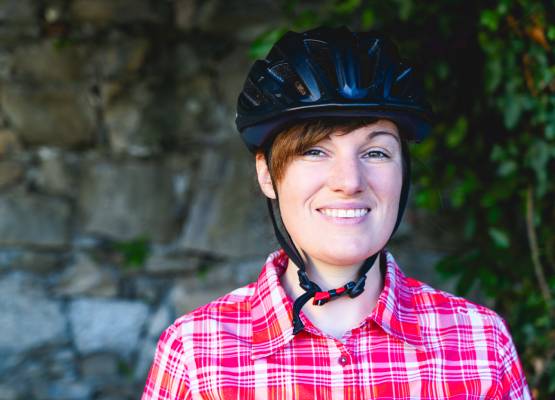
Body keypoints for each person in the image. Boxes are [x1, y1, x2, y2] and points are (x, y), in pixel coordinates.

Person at [142, 26, 532, 399]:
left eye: (376, 152)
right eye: (315, 150)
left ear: (403, 174)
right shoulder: (197, 354)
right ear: (266, 174)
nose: (349, 181)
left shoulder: (480, 345)